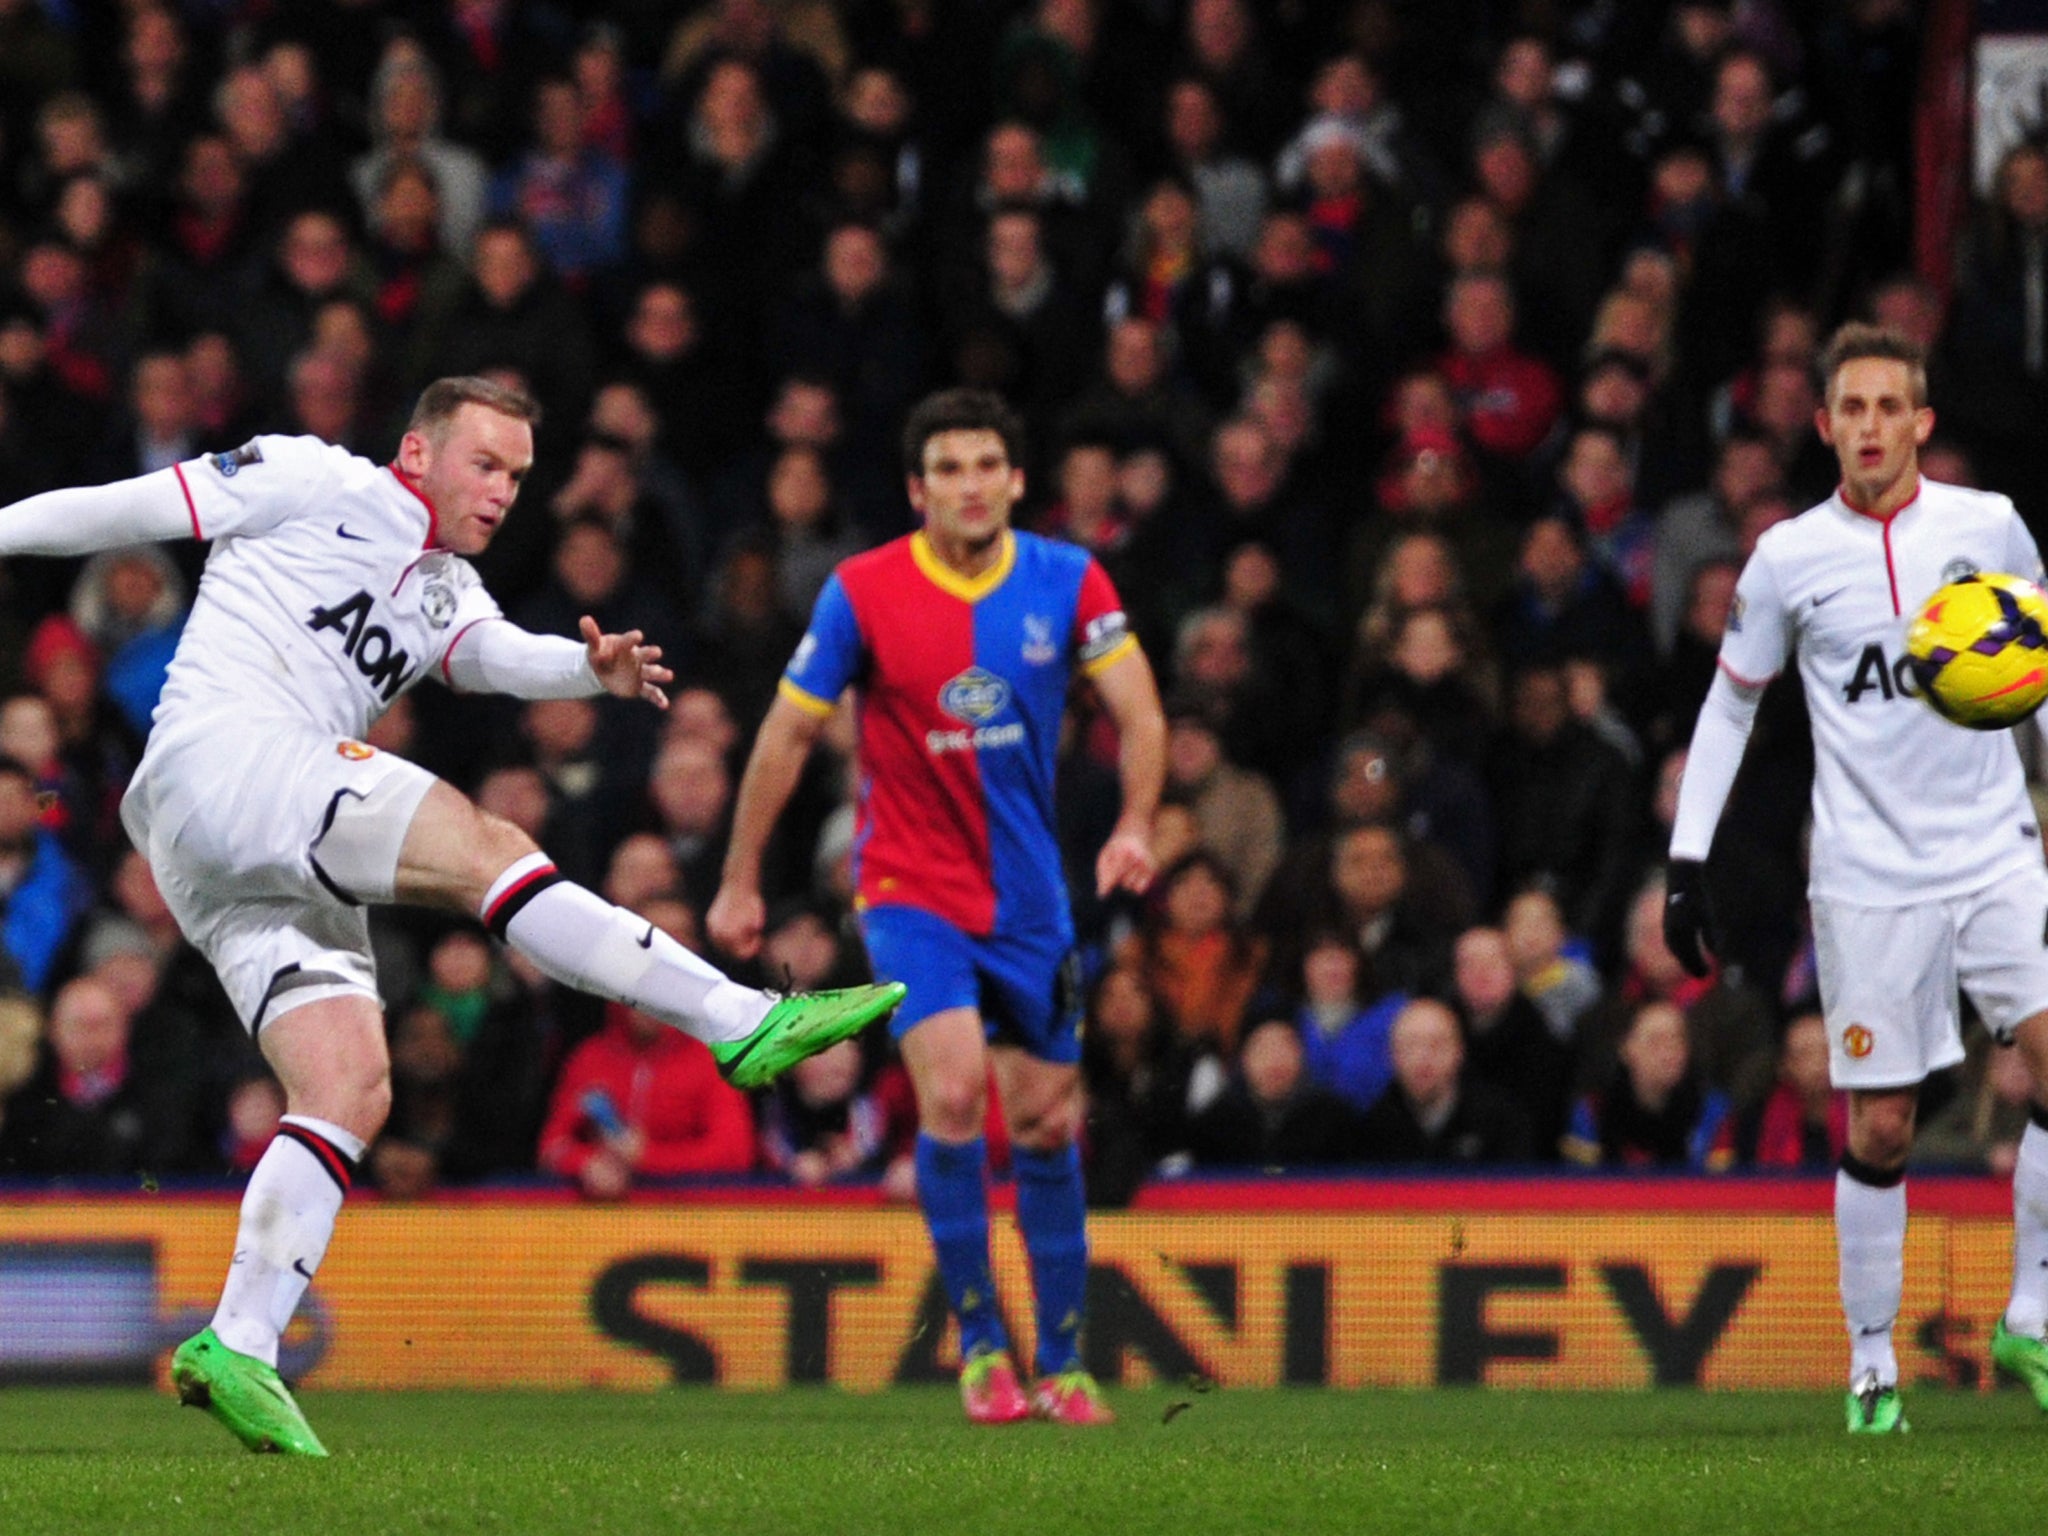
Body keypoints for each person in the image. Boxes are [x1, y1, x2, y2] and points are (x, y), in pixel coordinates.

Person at [0, 375, 905, 1456]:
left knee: (347, 1083)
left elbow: (493, 655)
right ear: (418, 454)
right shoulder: (307, 477)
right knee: (489, 850)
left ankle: (236, 1341)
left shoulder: (446, 590)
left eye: (519, 476)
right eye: (486, 464)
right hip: (229, 759)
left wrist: (588, 666)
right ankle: (735, 1018)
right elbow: (124, 508)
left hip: (220, 856)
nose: (504, 491)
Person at [709, 388, 1166, 1427]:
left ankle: (1063, 1362)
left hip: (1030, 900)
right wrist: (739, 877)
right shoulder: (862, 592)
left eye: (986, 466)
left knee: (1048, 1122)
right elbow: (783, 737)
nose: (969, 485)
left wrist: (1136, 819)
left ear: (1013, 480)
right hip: (907, 890)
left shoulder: (1067, 578)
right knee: (954, 1096)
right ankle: (980, 1347)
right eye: (947, 469)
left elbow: (1139, 710)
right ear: (918, 490)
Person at [1663, 323, 2048, 1434]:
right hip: (1866, 877)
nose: (1869, 427)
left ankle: (2028, 1308)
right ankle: (1872, 1358)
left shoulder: (1989, 529)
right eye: (1850, 409)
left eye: (1889, 407)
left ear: (1919, 422)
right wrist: (1684, 859)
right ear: (1823, 424)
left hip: (1988, 850)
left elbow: (2036, 671)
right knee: (1879, 1128)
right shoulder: (1788, 557)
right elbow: (1730, 704)